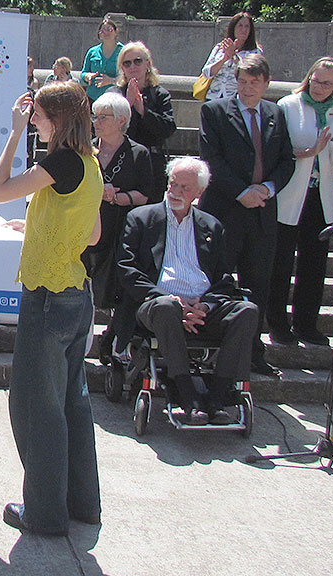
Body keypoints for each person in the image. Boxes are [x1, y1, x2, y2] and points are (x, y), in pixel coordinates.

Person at [0, 82, 102, 536]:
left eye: (36, 115)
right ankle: (81, 505)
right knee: (72, 402)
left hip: (49, 298)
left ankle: (44, 513)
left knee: (37, 406)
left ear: (56, 118)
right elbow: (90, 233)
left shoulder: (59, 162)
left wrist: (13, 134)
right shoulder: (90, 163)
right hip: (77, 296)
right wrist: (38, 223)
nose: (32, 120)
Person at [117, 157, 259, 425]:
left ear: (199, 193)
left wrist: (205, 306)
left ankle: (218, 395)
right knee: (166, 308)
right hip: (157, 303)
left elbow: (224, 278)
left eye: (185, 188)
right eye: (173, 185)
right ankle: (187, 394)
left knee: (247, 311)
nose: (176, 192)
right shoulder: (141, 219)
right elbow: (126, 270)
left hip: (203, 307)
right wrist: (172, 301)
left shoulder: (211, 226)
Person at [198, 54, 295, 377]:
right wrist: (242, 192)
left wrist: (267, 188)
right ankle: (211, 349)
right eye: (242, 81)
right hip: (225, 211)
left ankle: (254, 352)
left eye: (255, 82)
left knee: (258, 285)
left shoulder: (275, 114)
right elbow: (211, 158)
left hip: (262, 215)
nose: (248, 88)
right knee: (217, 282)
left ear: (266, 83)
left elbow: (287, 161)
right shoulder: (215, 111)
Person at [269, 58, 333, 348]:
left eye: (327, 83)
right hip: (291, 193)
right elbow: (279, 149)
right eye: (316, 80)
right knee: (281, 261)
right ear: (309, 78)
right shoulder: (288, 105)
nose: (319, 87)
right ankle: (278, 323)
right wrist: (310, 150)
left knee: (315, 262)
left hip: (321, 195)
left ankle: (306, 324)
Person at [87, 91, 154, 364]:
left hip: (121, 229)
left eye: (103, 117)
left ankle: (114, 342)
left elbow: (146, 194)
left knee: (119, 286)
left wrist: (115, 196)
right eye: (95, 116)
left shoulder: (138, 154)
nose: (96, 122)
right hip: (89, 227)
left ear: (122, 120)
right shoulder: (86, 149)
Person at [108, 41, 175, 198]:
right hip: (121, 162)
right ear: (122, 68)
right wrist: (128, 105)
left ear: (148, 64)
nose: (133, 66)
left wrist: (143, 110)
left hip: (152, 164)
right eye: (127, 63)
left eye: (138, 61)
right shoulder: (114, 93)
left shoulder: (160, 95)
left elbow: (167, 128)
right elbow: (105, 128)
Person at [201, 12, 263, 102]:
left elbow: (252, 74)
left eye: (247, 26)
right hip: (213, 97)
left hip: (236, 99)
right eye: (240, 26)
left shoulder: (255, 52)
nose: (243, 29)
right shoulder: (219, 48)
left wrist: (234, 56)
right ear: (233, 28)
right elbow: (206, 73)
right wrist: (225, 58)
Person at [80, 17, 122, 103]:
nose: (106, 33)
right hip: (92, 97)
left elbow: (128, 77)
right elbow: (83, 73)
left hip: (115, 99)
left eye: (109, 29)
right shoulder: (92, 51)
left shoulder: (123, 51)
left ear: (116, 31)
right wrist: (87, 76)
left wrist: (112, 81)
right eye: (102, 31)